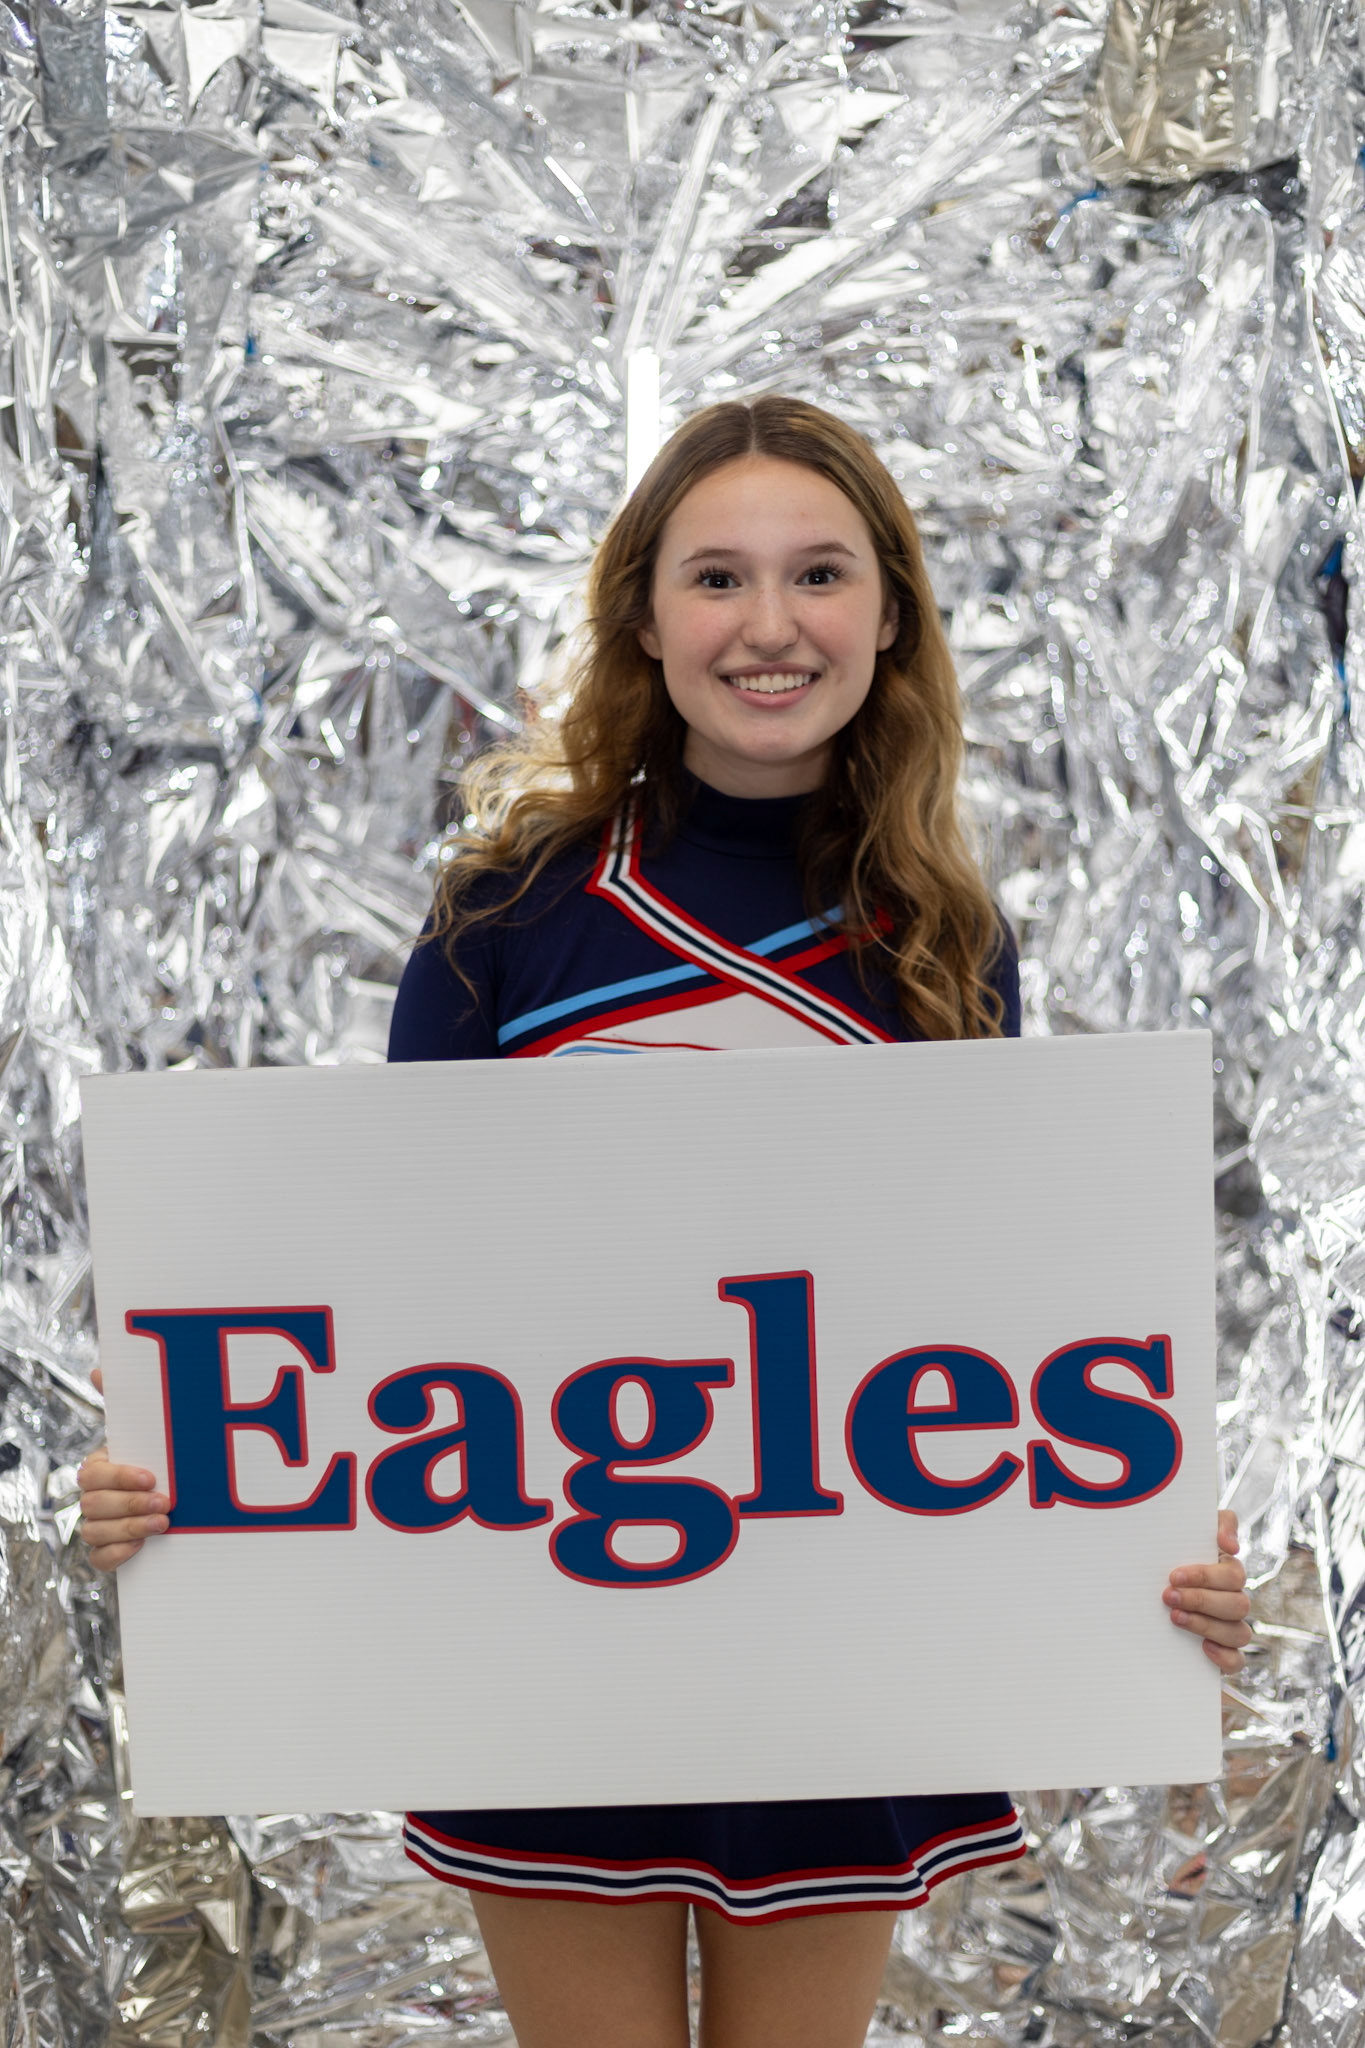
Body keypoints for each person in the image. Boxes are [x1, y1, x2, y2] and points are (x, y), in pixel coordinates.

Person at [76, 397, 1252, 2048]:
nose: (768, 626)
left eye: (819, 575)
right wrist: (200, 1472)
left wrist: (1121, 1543)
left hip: (832, 1648)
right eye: (716, 578)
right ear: (642, 612)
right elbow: (392, 1310)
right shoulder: (511, 919)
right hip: (569, 1634)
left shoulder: (944, 938)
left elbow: (971, 1328)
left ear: (889, 615)